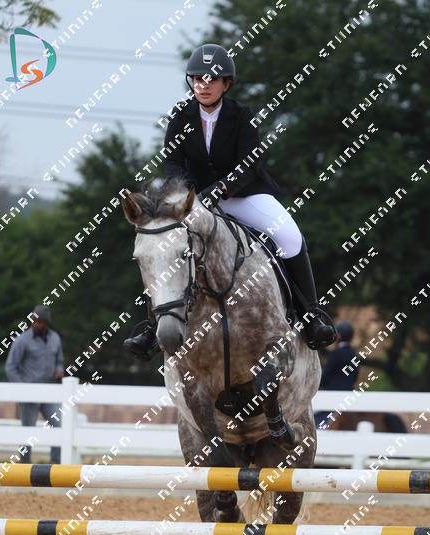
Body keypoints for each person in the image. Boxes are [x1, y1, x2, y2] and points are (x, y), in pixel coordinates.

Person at [124, 43, 336, 360]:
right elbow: (172, 163)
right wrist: (189, 191)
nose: (203, 85)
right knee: (161, 247)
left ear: (226, 84)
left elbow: (251, 163)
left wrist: (223, 187)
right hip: (195, 201)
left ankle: (311, 316)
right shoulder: (180, 116)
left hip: (243, 195)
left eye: (211, 79)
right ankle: (151, 327)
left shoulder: (241, 116)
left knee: (290, 237)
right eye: (198, 79)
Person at [5, 305, 64, 463]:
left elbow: (59, 361)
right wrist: (23, 388)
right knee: (27, 433)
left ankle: (56, 466)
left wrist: (59, 370)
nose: (36, 324)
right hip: (29, 392)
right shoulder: (22, 340)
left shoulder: (55, 338)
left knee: (58, 427)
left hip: (50, 392)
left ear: (47, 323)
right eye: (34, 321)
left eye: (40, 321)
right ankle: (24, 466)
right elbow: (11, 367)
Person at [315, 321, 359, 428]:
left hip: (332, 395)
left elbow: (326, 375)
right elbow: (355, 377)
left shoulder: (335, 354)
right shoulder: (354, 355)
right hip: (348, 395)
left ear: (339, 335)